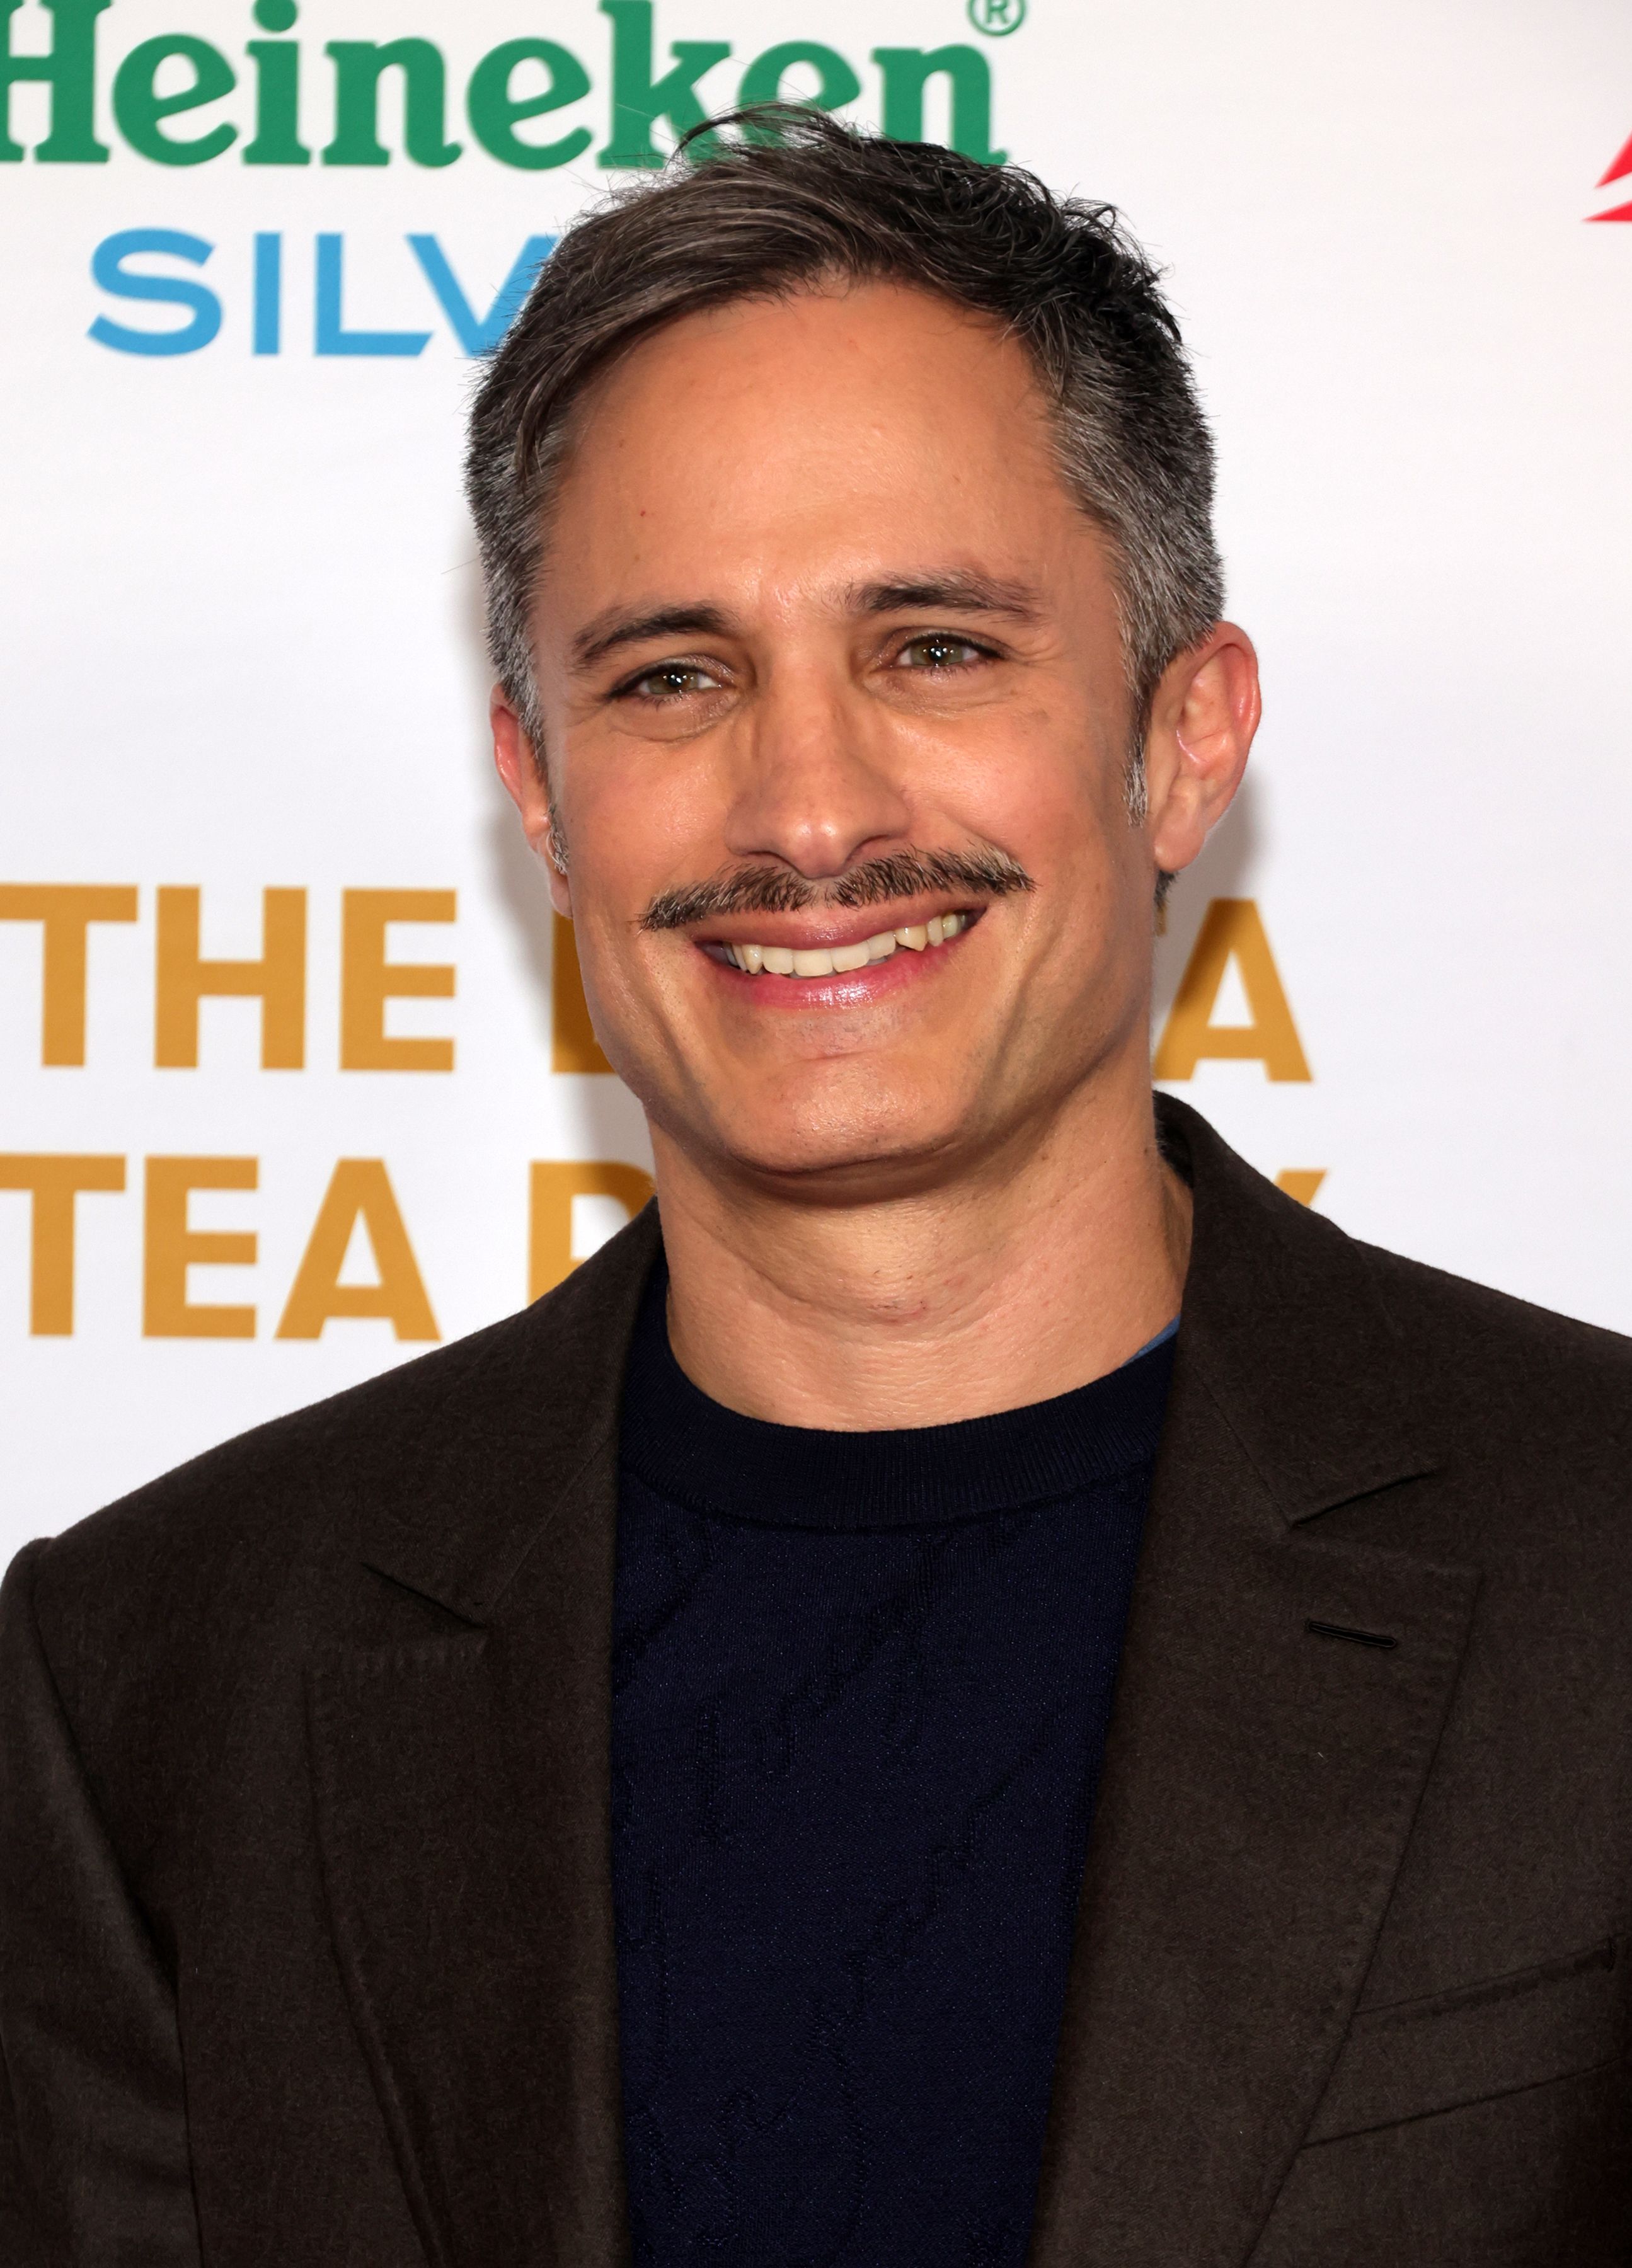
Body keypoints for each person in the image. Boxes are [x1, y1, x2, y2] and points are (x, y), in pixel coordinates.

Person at [2, 108, 1628, 2268]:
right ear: (541, 797)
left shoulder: (1601, 1574)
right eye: (673, 676)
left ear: (1182, 739)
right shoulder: (150, 1688)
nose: (810, 805)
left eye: (933, 647)